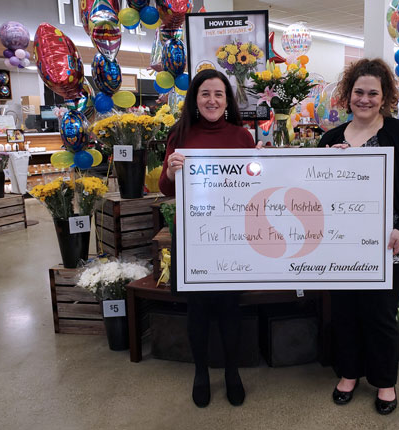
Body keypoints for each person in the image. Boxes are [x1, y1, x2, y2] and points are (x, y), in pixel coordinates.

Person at [318, 58, 399, 415]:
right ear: (347, 95)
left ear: (384, 98)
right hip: (341, 243)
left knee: (380, 312)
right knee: (345, 310)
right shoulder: (331, 138)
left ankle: (385, 381)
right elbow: (314, 192)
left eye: (372, 93)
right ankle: (349, 373)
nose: (364, 99)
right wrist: (324, 165)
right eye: (358, 92)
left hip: (391, 243)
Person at [158, 69, 256, 408]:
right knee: (197, 309)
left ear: (227, 100)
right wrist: (171, 171)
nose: (212, 100)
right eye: (205, 94)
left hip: (232, 235)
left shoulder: (242, 137)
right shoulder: (180, 133)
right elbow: (164, 187)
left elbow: (253, 184)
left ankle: (232, 371)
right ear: (195, 99)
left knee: (231, 307)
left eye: (218, 94)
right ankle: (201, 371)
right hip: (193, 236)